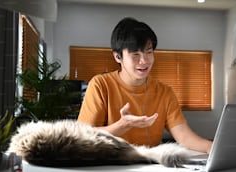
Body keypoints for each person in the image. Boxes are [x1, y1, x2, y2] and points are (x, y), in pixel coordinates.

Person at [78, 17, 212, 154]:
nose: (144, 61)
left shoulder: (164, 92)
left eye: (149, 52)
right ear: (118, 57)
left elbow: (184, 136)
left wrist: (210, 147)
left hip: (150, 163)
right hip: (111, 163)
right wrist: (122, 125)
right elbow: (82, 135)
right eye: (135, 54)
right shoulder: (101, 85)